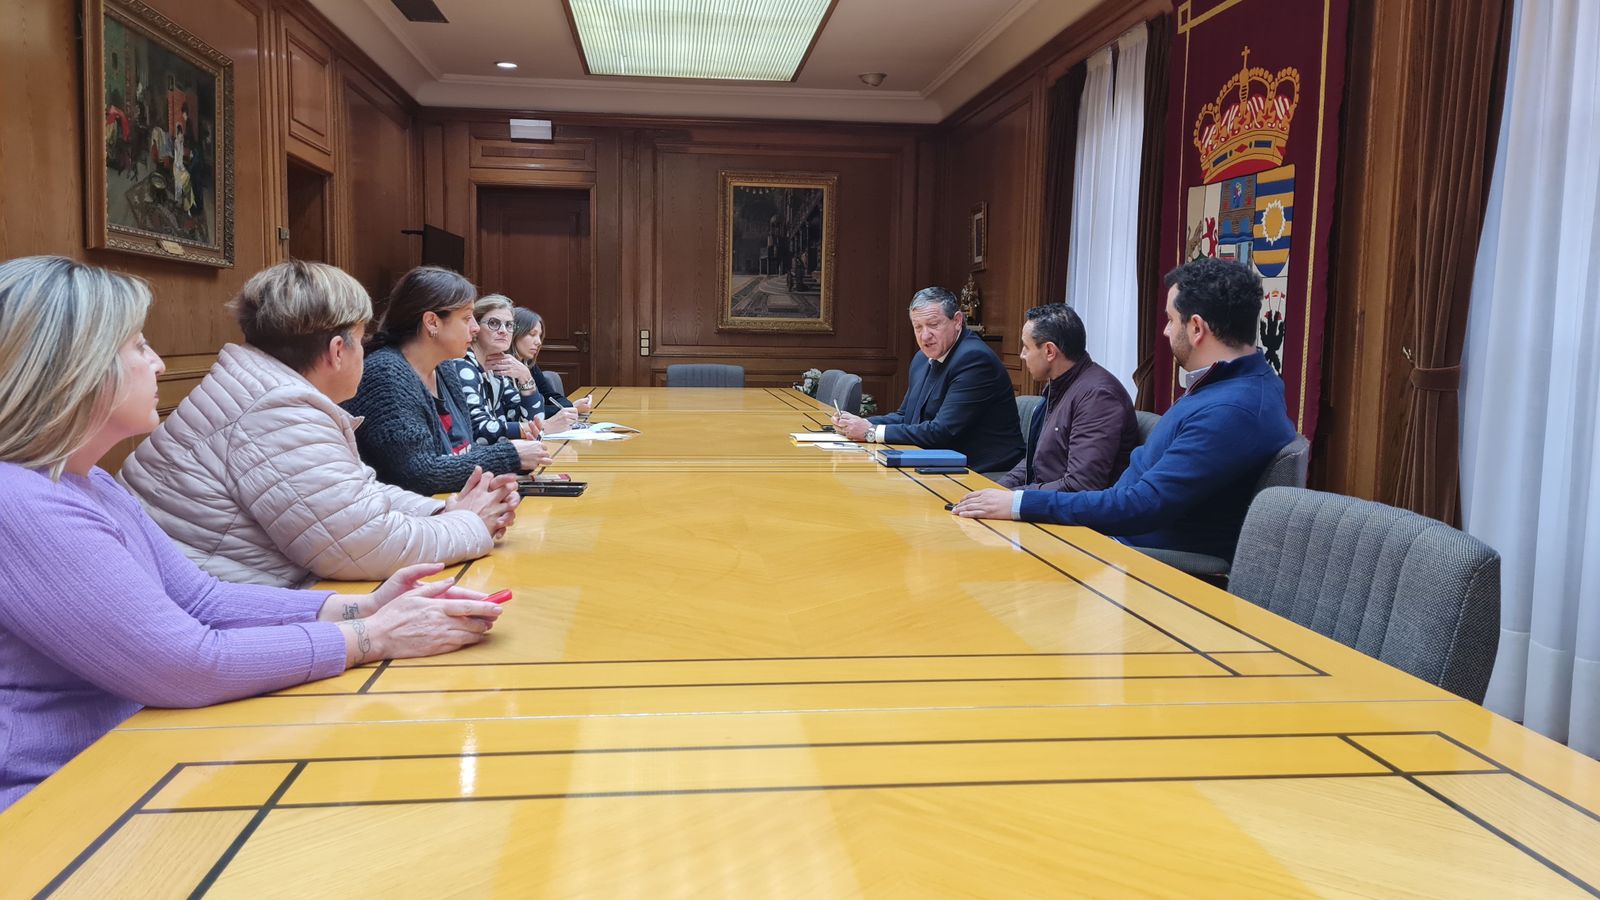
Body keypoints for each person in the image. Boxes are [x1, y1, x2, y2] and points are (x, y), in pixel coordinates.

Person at [0, 256, 506, 811]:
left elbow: (202, 598)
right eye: (139, 347)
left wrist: (362, 607)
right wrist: (373, 637)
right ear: (74, 366)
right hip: (57, 798)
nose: (160, 364)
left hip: (138, 751)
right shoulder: (21, 502)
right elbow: (184, 665)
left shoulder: (86, 479)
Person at [120, 261, 519, 587]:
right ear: (337, 350)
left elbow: (355, 495)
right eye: (362, 339)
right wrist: (469, 524)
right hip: (219, 611)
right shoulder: (276, 412)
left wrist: (444, 510)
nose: (368, 351)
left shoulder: (265, 390)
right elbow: (362, 545)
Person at [953, 257, 1296, 561]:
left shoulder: (1231, 409)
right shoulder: (1236, 385)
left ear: (1195, 328)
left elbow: (1140, 505)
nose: (1165, 331)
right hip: (1115, 537)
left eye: (1170, 320)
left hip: (1135, 559)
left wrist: (1019, 504)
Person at [343, 266, 551, 495]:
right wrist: (510, 455)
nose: (475, 328)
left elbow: (462, 451)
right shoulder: (386, 375)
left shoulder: (445, 368)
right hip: (405, 512)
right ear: (432, 322)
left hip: (450, 505)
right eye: (466, 318)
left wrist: (515, 461)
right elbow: (419, 474)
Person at [831, 286, 1023, 473]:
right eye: (918, 327)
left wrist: (871, 432)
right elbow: (906, 416)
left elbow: (942, 431)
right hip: (936, 462)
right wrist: (857, 424)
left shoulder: (974, 359)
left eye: (933, 325)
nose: (924, 336)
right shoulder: (922, 359)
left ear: (957, 321)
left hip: (983, 472)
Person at [996, 303, 1139, 493]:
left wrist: (1013, 498)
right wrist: (995, 490)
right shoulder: (1060, 385)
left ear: (1049, 351)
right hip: (1045, 499)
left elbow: (1081, 485)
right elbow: (1036, 462)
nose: (1022, 355)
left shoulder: (1098, 397)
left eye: (1026, 347)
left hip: (1073, 510)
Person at [441, 295, 577, 444]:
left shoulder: (496, 367)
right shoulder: (462, 365)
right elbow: (479, 431)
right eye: (493, 323)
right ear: (476, 327)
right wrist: (543, 427)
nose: (503, 331)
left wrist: (526, 378)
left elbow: (527, 418)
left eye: (509, 325)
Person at [511, 306, 593, 419]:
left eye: (540, 336)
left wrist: (568, 407)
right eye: (532, 334)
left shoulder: (529, 364)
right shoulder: (501, 369)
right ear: (514, 334)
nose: (538, 342)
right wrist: (569, 409)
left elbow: (551, 396)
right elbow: (520, 413)